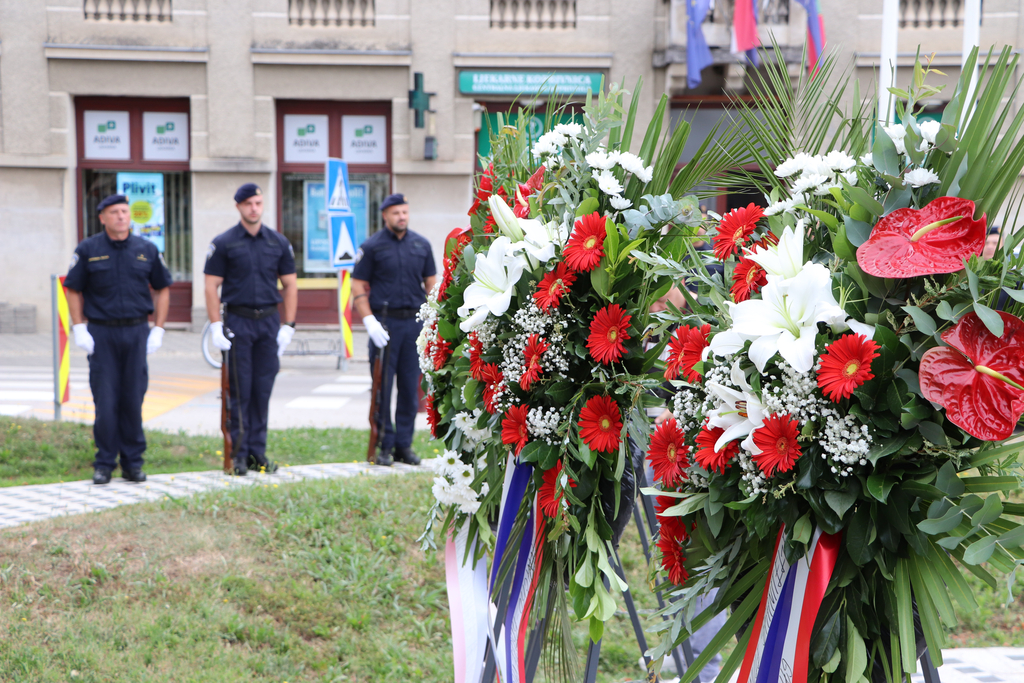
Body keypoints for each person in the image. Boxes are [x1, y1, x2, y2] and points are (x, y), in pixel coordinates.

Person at [64, 194, 173, 485]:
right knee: (106, 400)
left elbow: (163, 288)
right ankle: (104, 463)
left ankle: (133, 463)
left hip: (137, 332)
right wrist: (79, 327)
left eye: (125, 211)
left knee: (133, 399)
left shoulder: (146, 249)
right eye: (114, 212)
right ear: (102, 217)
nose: (121, 216)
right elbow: (72, 288)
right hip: (102, 333)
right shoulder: (89, 249)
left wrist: (159, 328)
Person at [203, 183, 298, 475]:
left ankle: (258, 452)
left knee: (263, 390)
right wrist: (216, 326)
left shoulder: (278, 242)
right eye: (248, 204)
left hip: (269, 322)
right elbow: (210, 285)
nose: (254, 208)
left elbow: (290, 284)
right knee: (240, 391)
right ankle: (239, 455)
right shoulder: (225, 242)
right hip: (238, 322)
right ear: (239, 207)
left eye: (257, 203)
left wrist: (289, 325)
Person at [351, 193, 437, 466]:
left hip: (413, 324)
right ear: (385, 215)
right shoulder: (372, 247)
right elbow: (357, 286)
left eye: (405, 212)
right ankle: (383, 446)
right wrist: (369, 321)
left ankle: (404, 445)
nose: (402, 216)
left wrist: (433, 322)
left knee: (410, 389)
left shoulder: (421, 245)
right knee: (382, 389)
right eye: (396, 212)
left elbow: (431, 285)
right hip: (384, 325)